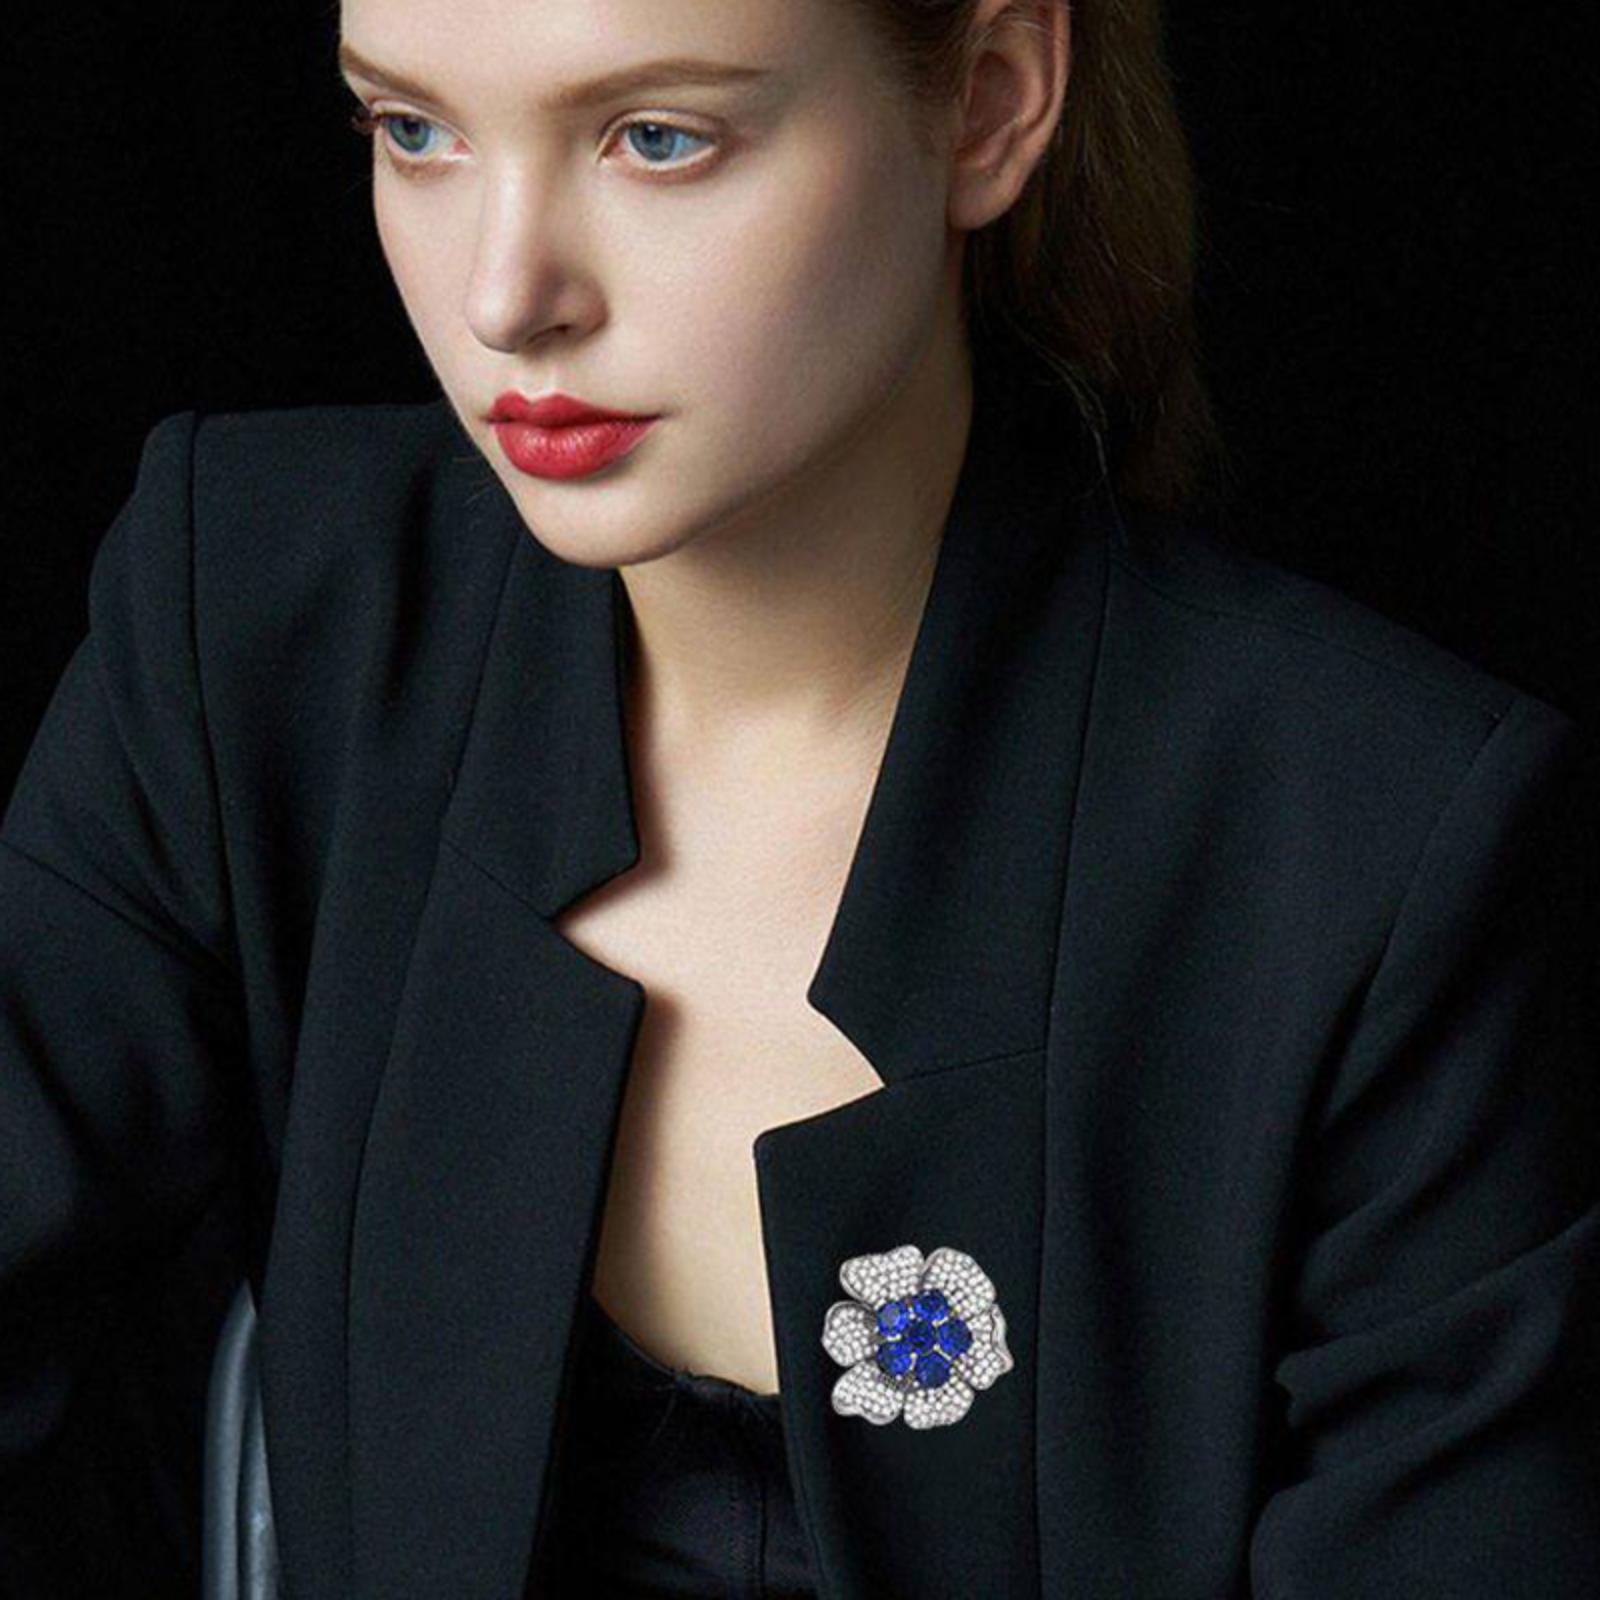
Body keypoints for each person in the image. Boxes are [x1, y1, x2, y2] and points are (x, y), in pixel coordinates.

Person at [3, 0, 1597, 1595]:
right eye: (414, 131)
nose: (506, 297)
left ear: (990, 102)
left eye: (657, 139)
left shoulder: (1382, 847)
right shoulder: (251, 622)